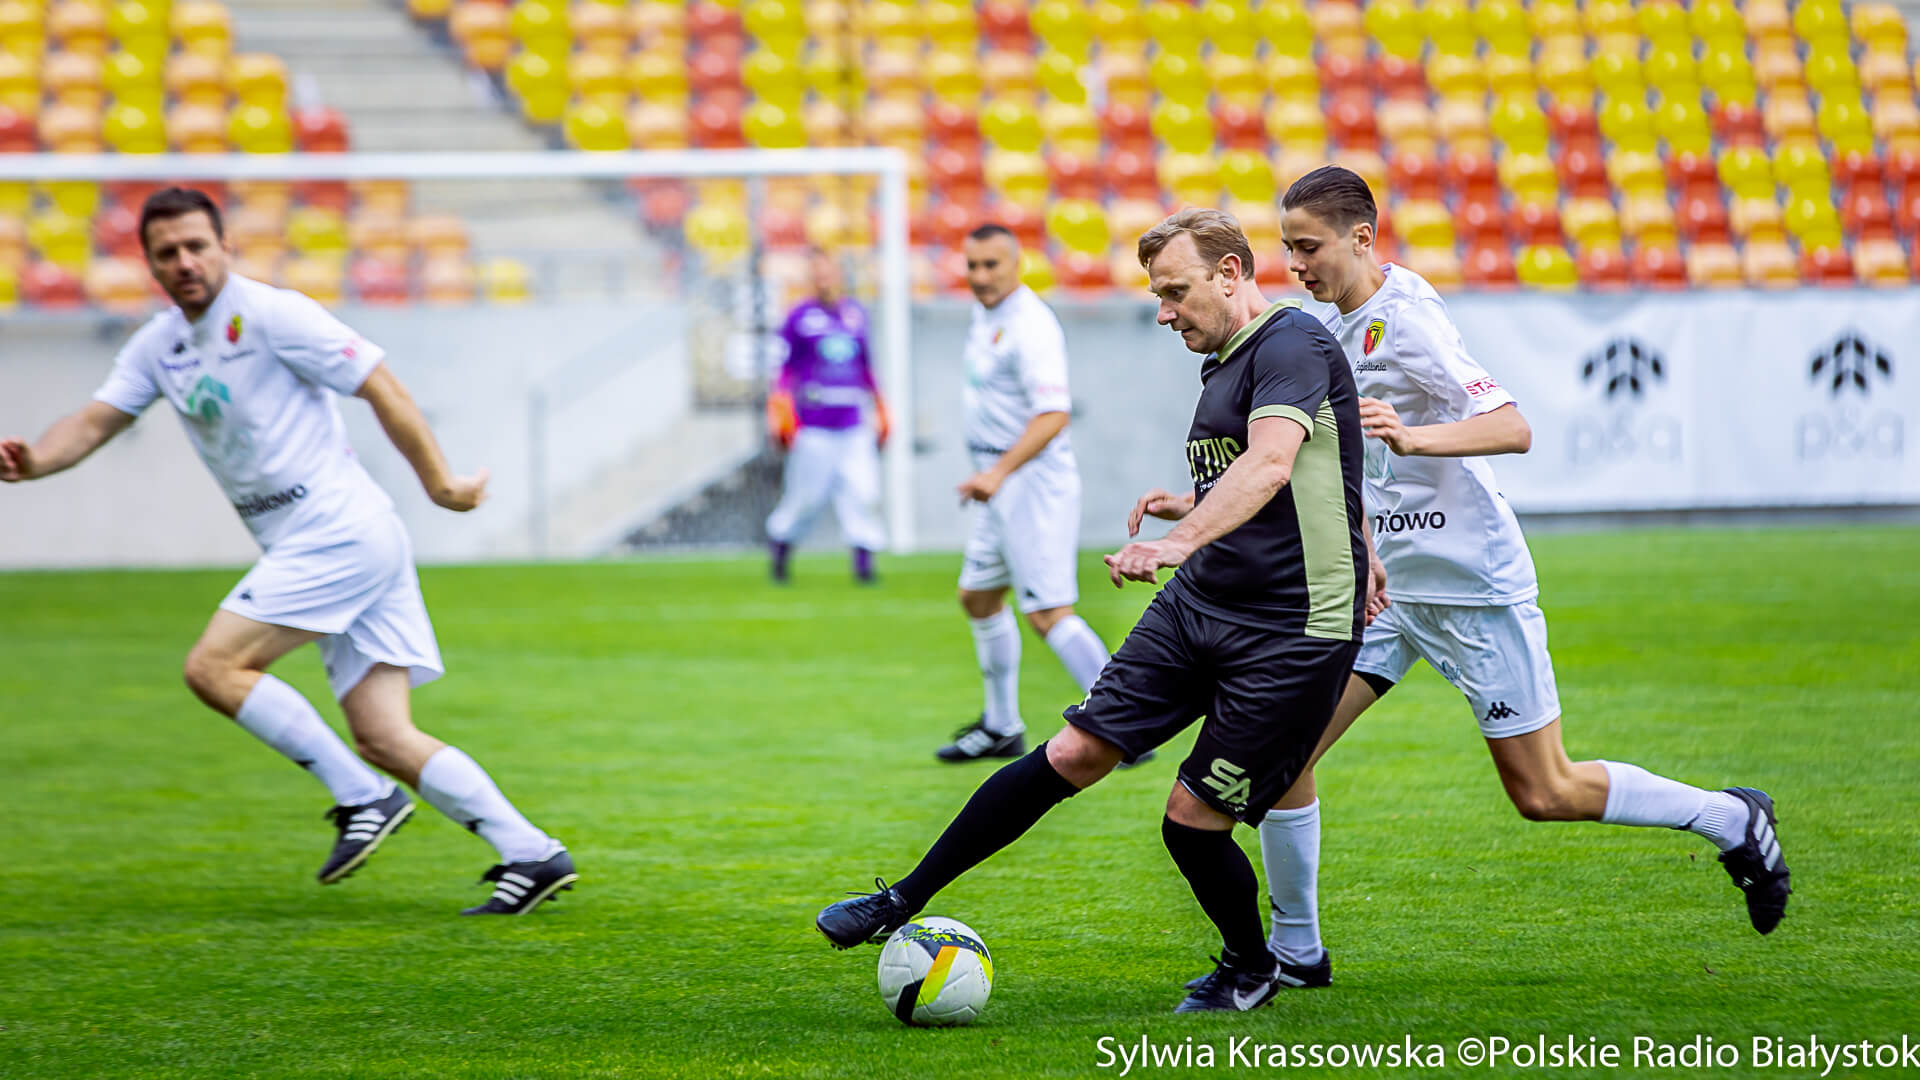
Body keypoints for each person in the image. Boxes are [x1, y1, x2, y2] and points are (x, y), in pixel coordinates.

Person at [1240, 164, 1789, 985]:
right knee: (1281, 757)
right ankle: (1296, 953)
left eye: (1307, 246)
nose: (1296, 264)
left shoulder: (1410, 319)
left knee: (1544, 791)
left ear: (1361, 237)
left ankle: (1730, 818)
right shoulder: (1333, 324)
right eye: (1287, 249)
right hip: (1388, 589)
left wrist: (1417, 438)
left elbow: (1513, 426)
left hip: (1468, 583)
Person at [817, 209, 1372, 1013]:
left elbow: (1276, 463)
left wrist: (1177, 539)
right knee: (1073, 753)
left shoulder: (1290, 343)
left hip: (1292, 630)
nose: (1163, 311)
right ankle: (900, 899)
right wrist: (1195, 501)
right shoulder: (1223, 361)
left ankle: (1255, 965)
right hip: (1203, 603)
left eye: (1176, 291)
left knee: (1189, 820)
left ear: (1231, 273)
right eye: (1158, 295)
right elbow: (1299, 468)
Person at [0, 187, 577, 916]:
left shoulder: (274, 315)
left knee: (213, 667)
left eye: (196, 246)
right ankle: (531, 851)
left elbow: (383, 388)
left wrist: (442, 485)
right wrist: (34, 461)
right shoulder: (160, 346)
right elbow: (91, 422)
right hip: (342, 539)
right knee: (383, 732)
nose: (184, 263)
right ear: (148, 264)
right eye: (167, 253)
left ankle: (364, 799)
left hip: (337, 532)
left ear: (225, 245)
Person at [940, 224, 1134, 764]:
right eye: (972, 265)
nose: (979, 276)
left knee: (1049, 611)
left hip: (1029, 482)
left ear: (1016, 263)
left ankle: (1123, 724)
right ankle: (1002, 727)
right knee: (978, 597)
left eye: (991, 265)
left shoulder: (1030, 325)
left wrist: (999, 473)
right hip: (995, 482)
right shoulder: (989, 316)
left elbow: (1053, 414)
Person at [764, 246, 889, 584]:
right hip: (814, 426)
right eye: (817, 274)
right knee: (806, 498)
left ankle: (864, 566)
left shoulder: (856, 315)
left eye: (828, 273)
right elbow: (783, 370)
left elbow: (866, 366)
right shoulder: (798, 318)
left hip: (852, 425)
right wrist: (779, 410)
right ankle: (781, 549)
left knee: (864, 493)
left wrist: (880, 406)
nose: (824, 280)